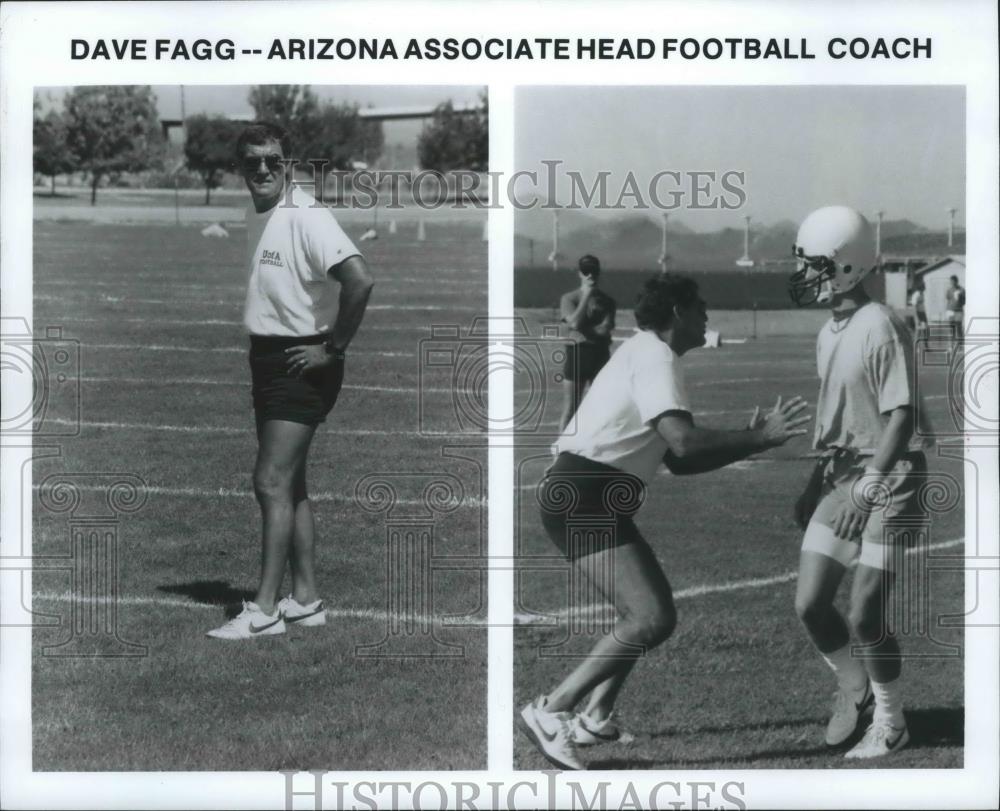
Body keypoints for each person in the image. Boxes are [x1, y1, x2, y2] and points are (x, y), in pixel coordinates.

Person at [519, 273, 810, 770]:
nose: (706, 315)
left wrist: (747, 436)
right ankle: (552, 709)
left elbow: (680, 460)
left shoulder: (651, 353)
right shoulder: (655, 355)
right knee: (651, 617)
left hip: (590, 494)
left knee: (644, 613)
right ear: (676, 311)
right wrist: (759, 437)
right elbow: (683, 442)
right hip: (584, 495)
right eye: (699, 306)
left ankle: (596, 716)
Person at [207, 122, 375, 639]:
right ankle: (305, 600)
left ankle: (263, 612)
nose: (262, 169)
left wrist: (333, 348)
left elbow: (359, 279)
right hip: (269, 356)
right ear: (240, 166)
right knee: (291, 483)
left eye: (273, 161)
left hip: (301, 360)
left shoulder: (306, 214)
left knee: (270, 481)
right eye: (252, 161)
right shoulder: (262, 211)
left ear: (289, 164)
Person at [788, 205, 933, 758]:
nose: (806, 276)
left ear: (847, 267)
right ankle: (857, 687)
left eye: (815, 265)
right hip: (844, 474)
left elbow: (903, 418)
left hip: (890, 478)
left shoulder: (882, 324)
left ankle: (892, 723)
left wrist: (866, 489)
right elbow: (837, 422)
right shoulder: (830, 331)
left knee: (864, 612)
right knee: (810, 604)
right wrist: (814, 482)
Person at [559, 255, 616, 430]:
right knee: (571, 407)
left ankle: (593, 450)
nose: (590, 275)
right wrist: (587, 295)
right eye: (586, 271)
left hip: (599, 354)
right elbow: (574, 323)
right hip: (577, 354)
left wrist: (580, 330)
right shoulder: (569, 298)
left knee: (601, 406)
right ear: (580, 274)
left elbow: (605, 328)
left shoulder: (608, 301)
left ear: (599, 273)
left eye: (594, 271)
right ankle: (561, 451)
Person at [945, 274, 965, 344]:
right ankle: (951, 344)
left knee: (958, 327)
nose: (952, 283)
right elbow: (948, 298)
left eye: (953, 281)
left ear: (956, 281)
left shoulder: (962, 290)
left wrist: (959, 300)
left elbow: (964, 301)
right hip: (950, 311)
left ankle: (960, 344)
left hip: (958, 311)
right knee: (951, 327)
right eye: (951, 281)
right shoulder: (949, 290)